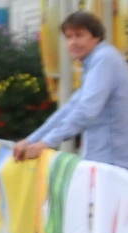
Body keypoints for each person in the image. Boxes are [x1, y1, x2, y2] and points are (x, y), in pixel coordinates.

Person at [14, 11, 128, 167]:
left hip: (113, 163)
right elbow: (70, 108)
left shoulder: (104, 59)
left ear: (96, 37)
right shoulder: (95, 61)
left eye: (79, 35)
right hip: (103, 160)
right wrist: (31, 140)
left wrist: (45, 143)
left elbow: (86, 111)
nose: (73, 42)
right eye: (68, 37)